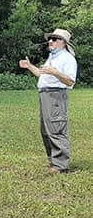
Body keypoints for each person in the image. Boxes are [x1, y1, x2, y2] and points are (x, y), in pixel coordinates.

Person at [19, 28, 77, 174]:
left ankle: (60, 166)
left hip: (55, 95)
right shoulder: (53, 58)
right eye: (50, 39)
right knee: (46, 130)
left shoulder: (67, 59)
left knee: (56, 129)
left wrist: (55, 72)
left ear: (63, 43)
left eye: (54, 39)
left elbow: (70, 81)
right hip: (45, 94)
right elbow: (42, 75)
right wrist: (29, 66)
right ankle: (54, 162)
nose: (50, 42)